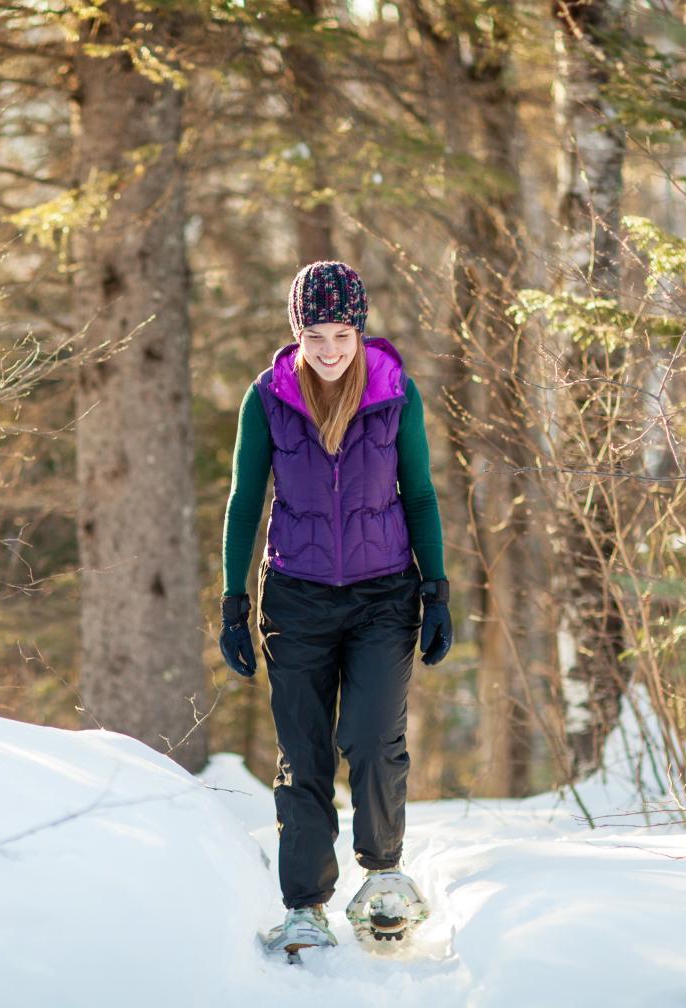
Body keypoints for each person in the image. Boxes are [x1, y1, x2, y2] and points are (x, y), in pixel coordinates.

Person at [217, 260, 453, 957]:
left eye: (341, 333)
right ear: (297, 331)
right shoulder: (268, 398)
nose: (327, 349)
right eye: (314, 333)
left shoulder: (393, 391)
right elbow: (242, 502)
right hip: (297, 595)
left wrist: (435, 589)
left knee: (375, 738)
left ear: (360, 330)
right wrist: (234, 601)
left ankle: (383, 878)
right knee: (305, 753)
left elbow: (421, 495)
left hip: (385, 595)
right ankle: (304, 908)